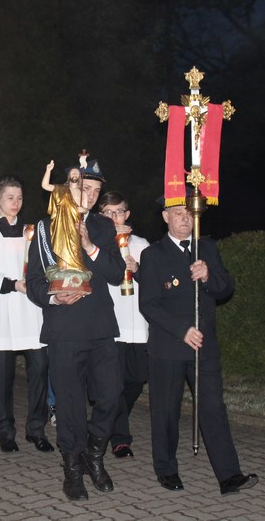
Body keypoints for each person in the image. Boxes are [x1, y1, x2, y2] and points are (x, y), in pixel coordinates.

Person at [138, 199, 258, 495]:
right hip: (168, 347)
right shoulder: (152, 255)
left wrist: (208, 276)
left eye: (189, 214)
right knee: (166, 411)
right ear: (165, 217)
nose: (185, 219)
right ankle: (166, 469)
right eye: (177, 214)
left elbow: (226, 288)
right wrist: (182, 331)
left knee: (213, 408)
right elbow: (148, 304)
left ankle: (229, 476)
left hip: (204, 346)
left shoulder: (207, 248)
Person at [26, 154, 126, 501]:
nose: (92, 195)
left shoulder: (104, 227)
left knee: (111, 395)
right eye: (86, 188)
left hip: (100, 327)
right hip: (64, 328)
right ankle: (72, 468)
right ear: (70, 186)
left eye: (97, 190)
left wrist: (90, 247)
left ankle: (93, 454)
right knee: (69, 404)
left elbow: (116, 274)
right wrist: (53, 298)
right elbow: (34, 281)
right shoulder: (45, 227)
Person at [0, 175, 52, 453]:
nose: (15, 203)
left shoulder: (32, 232)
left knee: (40, 368)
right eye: (9, 198)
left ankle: (36, 429)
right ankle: (5, 431)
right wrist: (13, 284)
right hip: (1, 311)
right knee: (2, 377)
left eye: (19, 198)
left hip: (30, 311)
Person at [98, 191, 150, 459]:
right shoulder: (98, 245)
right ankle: (120, 438)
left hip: (138, 324)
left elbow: (154, 281)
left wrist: (138, 269)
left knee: (136, 380)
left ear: (127, 215)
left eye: (118, 212)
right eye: (108, 213)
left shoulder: (142, 244)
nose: (114, 217)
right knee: (114, 385)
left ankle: (107, 421)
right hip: (111, 324)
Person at [41, 156, 87, 273]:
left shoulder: (83, 193)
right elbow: (45, 185)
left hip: (75, 224)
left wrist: (83, 209)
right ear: (69, 176)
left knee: (75, 245)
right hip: (62, 223)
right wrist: (48, 170)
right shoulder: (61, 189)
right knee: (62, 244)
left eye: (77, 173)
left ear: (80, 176)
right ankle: (63, 267)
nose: (75, 174)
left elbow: (86, 209)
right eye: (73, 173)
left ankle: (75, 266)